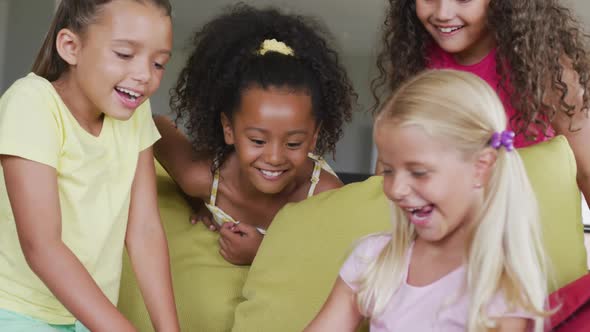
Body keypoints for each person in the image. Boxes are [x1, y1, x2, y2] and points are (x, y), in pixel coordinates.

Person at [306, 70, 550, 331]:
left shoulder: (501, 290)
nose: (396, 189)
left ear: (481, 167)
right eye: (388, 170)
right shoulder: (374, 259)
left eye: (419, 172)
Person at [0, 1, 179, 331]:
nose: (144, 76)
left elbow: (144, 231)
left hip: (90, 317)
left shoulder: (134, 112)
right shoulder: (31, 104)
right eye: (125, 54)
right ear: (71, 47)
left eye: (158, 63)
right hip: (16, 312)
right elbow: (42, 246)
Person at [154, 3, 356, 265]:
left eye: (293, 143)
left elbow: (336, 261)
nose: (274, 157)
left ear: (314, 136)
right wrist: (195, 202)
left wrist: (265, 253)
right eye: (258, 140)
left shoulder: (323, 194)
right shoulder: (202, 179)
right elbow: (156, 124)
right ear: (229, 129)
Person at [372, 0, 590, 206]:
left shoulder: (549, 68)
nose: (442, 14)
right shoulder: (416, 59)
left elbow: (587, 171)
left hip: (530, 228)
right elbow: (390, 168)